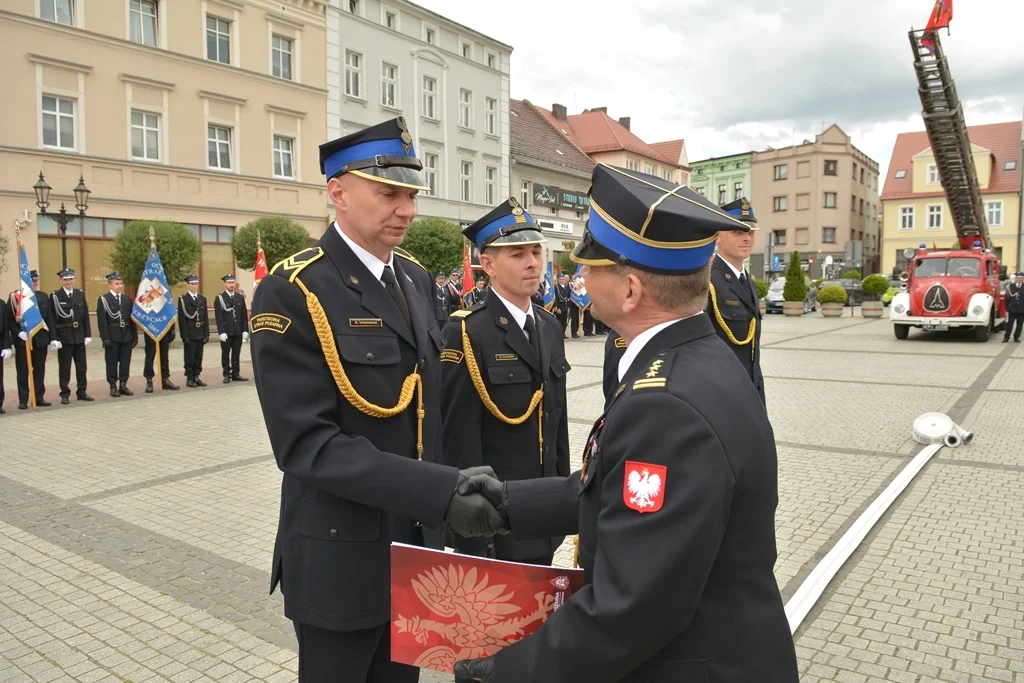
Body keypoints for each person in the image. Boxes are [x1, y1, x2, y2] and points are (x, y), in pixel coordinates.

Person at [453, 163, 799, 683]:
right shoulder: (699, 357)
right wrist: (510, 505)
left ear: (632, 290)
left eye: (592, 267)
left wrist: (506, 671)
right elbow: (622, 487)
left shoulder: (666, 406)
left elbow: (633, 607)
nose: (580, 278)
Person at [248, 116, 509, 683]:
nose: (407, 210)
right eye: (389, 193)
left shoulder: (414, 280)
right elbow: (305, 445)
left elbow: (428, 413)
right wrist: (440, 492)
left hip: (414, 546)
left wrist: (457, 493)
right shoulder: (294, 288)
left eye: (412, 195)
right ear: (338, 192)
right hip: (340, 555)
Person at [440, 198, 571, 570]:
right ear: (488, 265)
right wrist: (470, 529)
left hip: (544, 509)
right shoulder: (466, 332)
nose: (533, 262)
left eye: (536, 251)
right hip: (495, 518)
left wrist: (561, 494)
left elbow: (556, 423)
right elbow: (458, 438)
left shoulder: (549, 326)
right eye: (517, 254)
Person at [707, 197, 765, 405]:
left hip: (750, 387)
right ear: (717, 237)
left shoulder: (746, 280)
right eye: (737, 232)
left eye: (750, 232)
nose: (746, 238)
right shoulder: (708, 282)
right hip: (720, 391)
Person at [7, 270, 58, 408]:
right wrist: (18, 333)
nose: (35, 283)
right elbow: (10, 321)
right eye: (32, 281)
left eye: (36, 281)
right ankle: (23, 400)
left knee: (39, 370)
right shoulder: (16, 297)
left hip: (40, 339)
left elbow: (50, 319)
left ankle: (39, 397)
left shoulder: (43, 296)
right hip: (23, 341)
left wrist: (53, 338)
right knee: (23, 371)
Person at [51, 269, 94, 404]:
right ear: (61, 281)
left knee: (81, 366)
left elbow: (85, 316)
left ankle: (82, 391)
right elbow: (52, 319)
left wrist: (88, 334)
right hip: (64, 336)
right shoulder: (55, 296)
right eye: (65, 280)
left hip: (79, 335)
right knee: (65, 367)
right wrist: (54, 338)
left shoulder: (79, 294)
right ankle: (64, 393)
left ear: (74, 280)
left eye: (71, 279)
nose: (68, 282)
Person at [96, 272, 138, 397]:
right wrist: (105, 338)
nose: (119, 286)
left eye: (121, 283)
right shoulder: (104, 300)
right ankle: (113, 385)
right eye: (116, 284)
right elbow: (102, 321)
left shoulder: (127, 300)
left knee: (125, 361)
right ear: (110, 284)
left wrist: (134, 336)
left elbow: (131, 320)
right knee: (112, 361)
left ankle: (123, 384)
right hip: (112, 335)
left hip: (126, 334)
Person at [215, 274, 249, 383]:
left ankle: (236, 373)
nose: (231, 285)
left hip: (237, 330)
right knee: (225, 354)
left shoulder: (239, 297)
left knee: (236, 353)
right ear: (225, 284)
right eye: (229, 283)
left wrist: (245, 330)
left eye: (233, 283)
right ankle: (226, 374)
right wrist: (221, 332)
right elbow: (219, 317)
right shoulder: (220, 298)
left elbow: (243, 315)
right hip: (227, 331)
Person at [177, 274, 210, 386]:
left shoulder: (202, 298)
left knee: (198, 356)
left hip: (200, 330)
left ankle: (196, 376)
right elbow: (182, 319)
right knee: (189, 356)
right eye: (192, 284)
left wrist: (206, 333)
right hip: (190, 331)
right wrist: (184, 335)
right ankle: (190, 377)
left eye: (196, 284)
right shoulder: (183, 299)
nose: (194, 286)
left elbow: (205, 316)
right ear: (188, 285)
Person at [143, 328, 179, 393]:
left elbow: (170, 317)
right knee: (150, 356)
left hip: (164, 329)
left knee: (164, 356)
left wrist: (172, 329)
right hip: (150, 329)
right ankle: (149, 380)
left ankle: (165, 379)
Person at [1004, 272, 1024, 342]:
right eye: (1018, 278)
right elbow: (1007, 298)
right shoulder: (1010, 286)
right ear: (1015, 279)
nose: (1019, 279)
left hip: (1022, 309)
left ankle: (1016, 337)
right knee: (1009, 324)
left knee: (1019, 324)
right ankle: (1006, 337)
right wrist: (1006, 307)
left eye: (1021, 278)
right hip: (1012, 309)